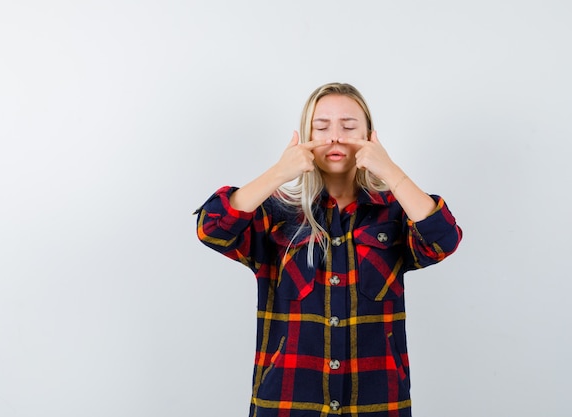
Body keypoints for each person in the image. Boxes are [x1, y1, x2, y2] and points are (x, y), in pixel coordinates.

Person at [195, 82, 462, 417]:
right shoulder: (275, 213)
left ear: (369, 136)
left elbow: (443, 240)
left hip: (377, 402)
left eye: (348, 126)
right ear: (306, 136)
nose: (335, 137)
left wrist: (390, 171)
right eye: (321, 127)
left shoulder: (394, 212)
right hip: (287, 402)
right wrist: (279, 172)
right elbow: (212, 228)